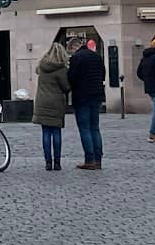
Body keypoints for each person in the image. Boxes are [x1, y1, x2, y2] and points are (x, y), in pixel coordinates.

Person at [67, 37, 106, 170]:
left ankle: (89, 159)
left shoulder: (76, 58)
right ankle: (98, 159)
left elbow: (72, 77)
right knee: (95, 127)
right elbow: (103, 74)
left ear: (73, 48)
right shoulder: (96, 57)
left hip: (82, 97)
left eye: (71, 51)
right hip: (97, 95)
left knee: (85, 128)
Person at [34, 40, 72, 171]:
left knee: (45, 132)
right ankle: (57, 162)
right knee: (56, 132)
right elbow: (66, 87)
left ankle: (48, 162)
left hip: (42, 101)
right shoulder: (61, 69)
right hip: (56, 102)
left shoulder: (42, 66)